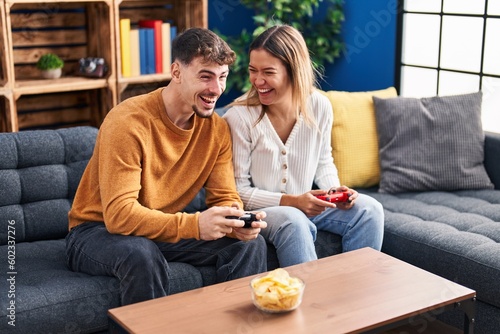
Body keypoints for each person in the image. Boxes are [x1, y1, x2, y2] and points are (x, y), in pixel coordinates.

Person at [66, 27, 268, 306]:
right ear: (176, 72)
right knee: (140, 253)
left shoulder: (216, 130)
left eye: (222, 77)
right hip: (95, 232)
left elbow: (223, 196)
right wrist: (194, 225)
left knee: (249, 245)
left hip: (156, 227)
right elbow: (119, 216)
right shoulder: (128, 122)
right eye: (205, 76)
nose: (217, 89)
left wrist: (235, 220)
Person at [223, 24, 384, 267]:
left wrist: (335, 193)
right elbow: (239, 191)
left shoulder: (320, 106)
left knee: (370, 210)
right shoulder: (239, 117)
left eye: (268, 72)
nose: (258, 80)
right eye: (253, 70)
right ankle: (309, 303)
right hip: (265, 211)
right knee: (293, 220)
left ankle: (357, 294)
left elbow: (323, 161)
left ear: (293, 72)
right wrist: (293, 201)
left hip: (304, 204)